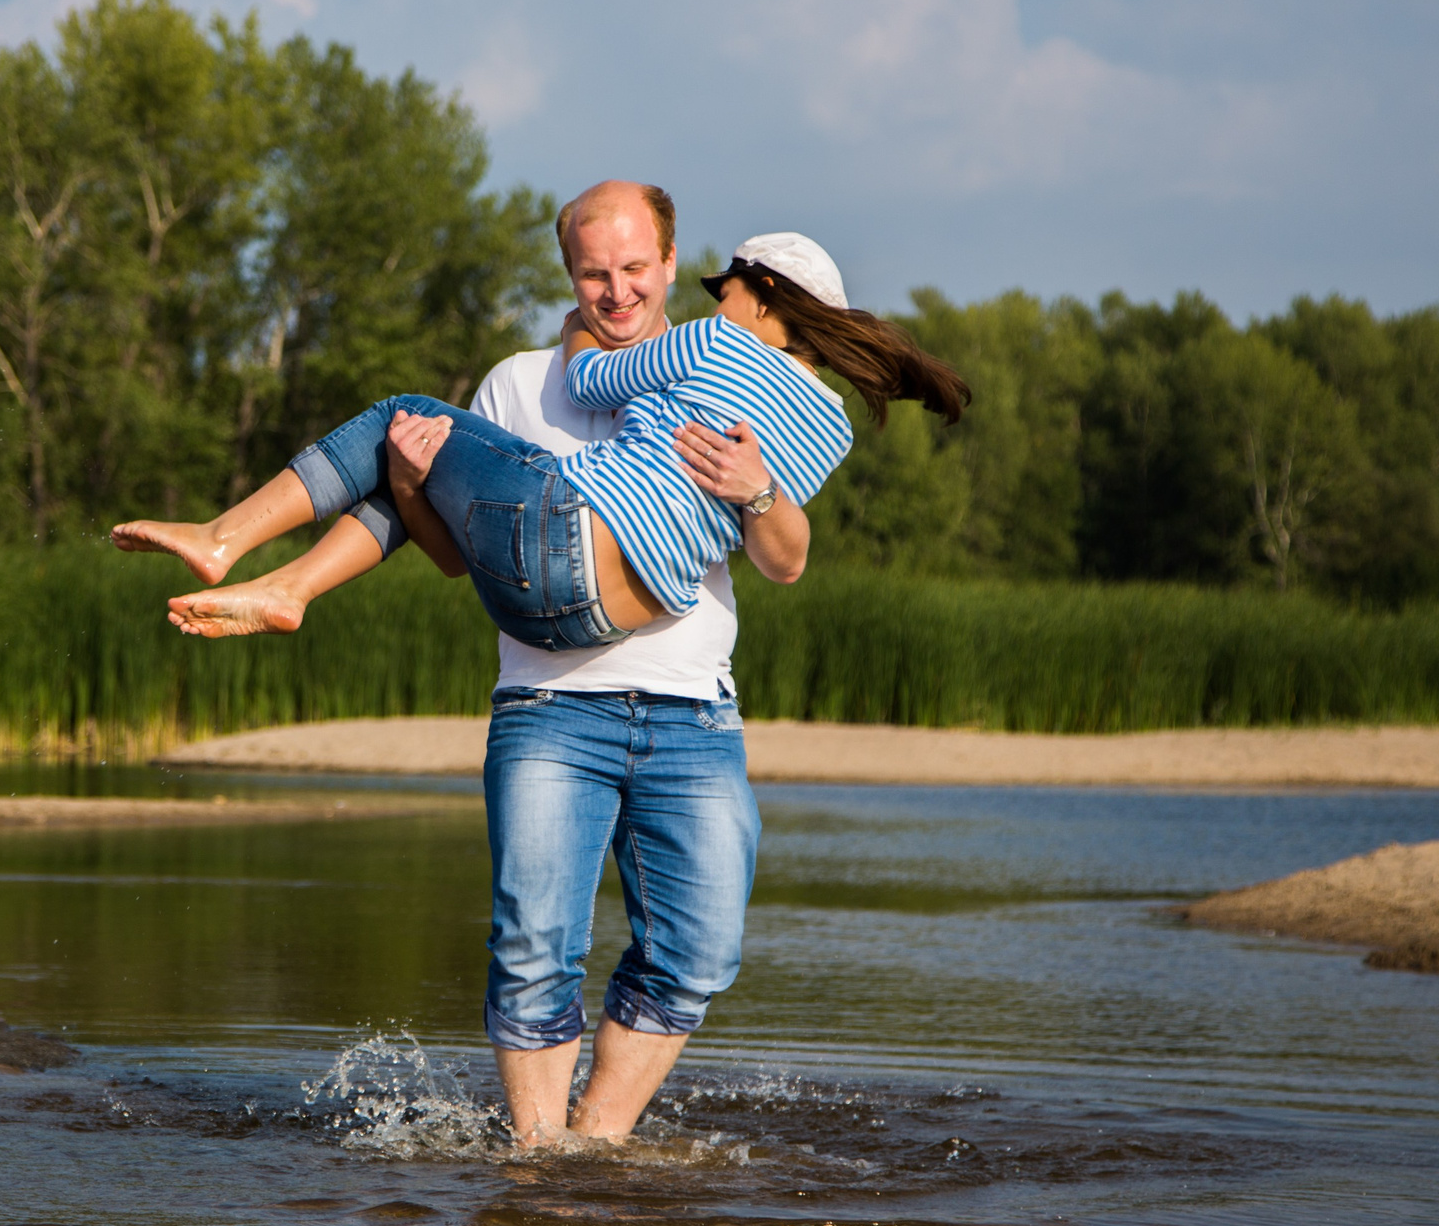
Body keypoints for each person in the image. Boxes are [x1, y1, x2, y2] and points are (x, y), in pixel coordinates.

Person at [113, 185, 970, 1146]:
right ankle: (535, 1154)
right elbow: (452, 550)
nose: (615, 291)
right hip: (552, 697)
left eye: (639, 270)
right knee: (534, 949)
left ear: (692, 266)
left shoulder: (703, 358)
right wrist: (406, 477)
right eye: (592, 275)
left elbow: (787, 557)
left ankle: (590, 1146)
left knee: (699, 947)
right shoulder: (522, 385)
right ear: (568, 272)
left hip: (689, 708)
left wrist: (753, 482)